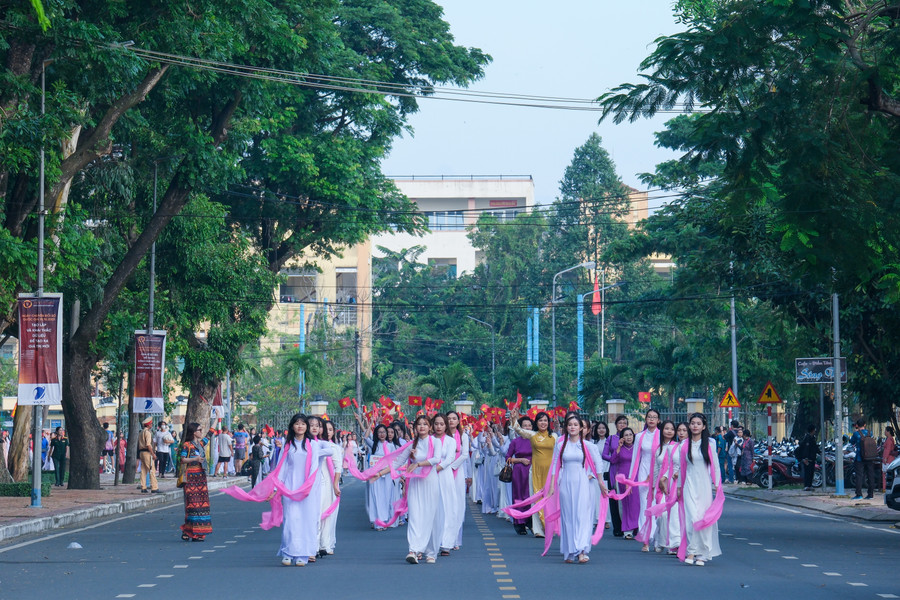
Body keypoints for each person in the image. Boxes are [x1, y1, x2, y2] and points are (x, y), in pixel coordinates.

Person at [373, 414, 442, 564]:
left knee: (429, 516)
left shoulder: (435, 442)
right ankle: (413, 550)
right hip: (415, 485)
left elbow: (437, 459)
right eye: (419, 424)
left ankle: (430, 552)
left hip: (430, 483)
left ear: (430, 427)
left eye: (425, 424)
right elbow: (397, 463)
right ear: (415, 427)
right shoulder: (412, 444)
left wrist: (418, 463)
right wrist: (379, 473)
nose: (422, 427)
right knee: (415, 516)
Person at [662, 413, 722, 566]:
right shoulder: (684, 445)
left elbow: (715, 465)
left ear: (704, 427)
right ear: (689, 426)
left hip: (704, 487)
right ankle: (692, 550)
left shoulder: (710, 443)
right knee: (691, 519)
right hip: (688, 485)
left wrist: (717, 485)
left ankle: (702, 554)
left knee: (703, 519)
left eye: (698, 423)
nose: (695, 426)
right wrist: (680, 487)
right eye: (693, 423)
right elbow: (682, 468)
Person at [546, 413, 608, 563]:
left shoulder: (588, 446)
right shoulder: (561, 445)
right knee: (568, 517)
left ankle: (581, 551)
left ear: (582, 428)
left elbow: (598, 464)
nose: (572, 427)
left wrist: (600, 482)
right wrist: (552, 486)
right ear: (566, 428)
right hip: (566, 483)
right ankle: (569, 551)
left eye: (575, 425)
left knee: (582, 517)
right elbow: (555, 465)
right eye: (570, 425)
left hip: (582, 483)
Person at [509, 408, 557, 538]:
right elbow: (519, 430)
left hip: (550, 474)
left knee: (550, 499)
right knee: (536, 499)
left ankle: (550, 526)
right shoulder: (533, 435)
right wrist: (514, 418)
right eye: (540, 420)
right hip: (534, 472)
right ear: (536, 422)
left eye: (545, 420)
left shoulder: (555, 437)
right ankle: (538, 529)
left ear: (549, 422)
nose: (543, 423)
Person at [179, 422, 216, 541]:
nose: (201, 432)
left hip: (201, 477)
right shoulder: (187, 445)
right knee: (192, 505)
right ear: (194, 432)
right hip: (191, 477)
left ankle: (199, 532)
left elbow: (210, 433)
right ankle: (189, 531)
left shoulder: (200, 444)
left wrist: (216, 417)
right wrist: (195, 459)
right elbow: (183, 459)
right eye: (199, 430)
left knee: (202, 505)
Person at [443, 411, 470, 551]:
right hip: (443, 473)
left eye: (454, 419)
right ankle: (444, 538)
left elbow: (465, 454)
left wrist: (451, 466)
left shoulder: (463, 436)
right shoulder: (442, 437)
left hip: (457, 472)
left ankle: (455, 539)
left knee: (458, 505)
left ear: (458, 421)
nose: (451, 421)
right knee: (445, 504)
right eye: (449, 419)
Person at [607, 427, 639, 539]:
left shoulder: (637, 448)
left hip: (635, 477)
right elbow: (613, 460)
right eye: (626, 435)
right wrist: (619, 447)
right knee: (626, 504)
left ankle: (636, 527)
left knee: (636, 504)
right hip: (622, 478)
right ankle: (627, 530)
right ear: (622, 438)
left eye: (630, 434)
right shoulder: (619, 448)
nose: (629, 437)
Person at [317, 420, 343, 557]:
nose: (326, 431)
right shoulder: (314, 445)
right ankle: (315, 544)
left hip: (329, 483)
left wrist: (335, 484)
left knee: (327, 515)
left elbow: (338, 467)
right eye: (322, 427)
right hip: (316, 483)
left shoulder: (333, 447)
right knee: (317, 514)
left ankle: (325, 544)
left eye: (330, 429)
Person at [602, 415, 629, 537]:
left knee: (628, 499)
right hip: (614, 470)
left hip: (627, 470)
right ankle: (617, 527)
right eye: (620, 423)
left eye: (624, 423)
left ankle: (628, 525)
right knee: (614, 499)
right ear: (616, 425)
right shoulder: (611, 438)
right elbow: (604, 455)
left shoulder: (630, 438)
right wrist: (612, 458)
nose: (622, 425)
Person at [507, 416, 534, 535]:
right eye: (525, 425)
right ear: (520, 428)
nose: (527, 427)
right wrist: (520, 460)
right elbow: (507, 458)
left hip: (533, 470)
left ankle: (531, 520)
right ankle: (519, 522)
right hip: (518, 471)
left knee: (531, 495)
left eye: (529, 425)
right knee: (518, 495)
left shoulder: (536, 440)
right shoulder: (515, 442)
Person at [850, 418, 876, 500]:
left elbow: (851, 443)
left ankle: (859, 494)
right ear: (864, 425)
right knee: (870, 475)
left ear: (857, 425)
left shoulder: (856, 434)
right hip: (870, 457)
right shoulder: (870, 433)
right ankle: (870, 494)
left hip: (859, 458)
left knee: (859, 476)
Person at [138, 417, 159, 493]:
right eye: (151, 423)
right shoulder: (148, 433)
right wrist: (153, 454)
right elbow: (148, 445)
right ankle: (154, 487)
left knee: (143, 470)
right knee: (151, 470)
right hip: (147, 453)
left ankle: (143, 487)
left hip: (141, 452)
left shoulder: (141, 432)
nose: (152, 425)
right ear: (149, 424)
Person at [797, 425, 818, 491]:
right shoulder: (807, 438)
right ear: (812, 430)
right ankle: (806, 485)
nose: (815, 431)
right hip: (807, 458)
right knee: (807, 472)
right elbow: (806, 449)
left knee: (811, 472)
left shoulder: (812, 438)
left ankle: (810, 485)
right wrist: (805, 458)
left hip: (812, 458)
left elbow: (815, 447)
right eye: (814, 429)